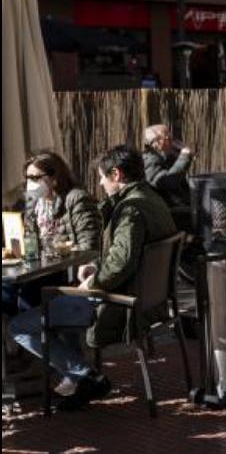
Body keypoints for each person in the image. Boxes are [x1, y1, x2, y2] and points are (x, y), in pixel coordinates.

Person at [7, 146, 177, 411]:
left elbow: (121, 261)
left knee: (20, 326)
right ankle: (76, 376)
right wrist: (97, 267)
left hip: (117, 304)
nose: (99, 183)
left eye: (102, 177)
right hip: (143, 300)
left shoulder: (130, 210)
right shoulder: (152, 199)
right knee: (33, 302)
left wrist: (93, 283)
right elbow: (124, 256)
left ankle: (86, 375)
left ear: (116, 174)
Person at [3, 152, 102, 315]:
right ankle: (20, 333)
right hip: (38, 267)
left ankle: (30, 333)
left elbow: (89, 246)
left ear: (54, 177)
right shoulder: (33, 202)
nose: (30, 183)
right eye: (27, 177)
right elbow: (30, 239)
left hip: (65, 270)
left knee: (28, 293)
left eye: (35, 178)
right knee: (6, 289)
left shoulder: (76, 199)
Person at [142, 124, 194, 210]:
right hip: (169, 212)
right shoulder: (150, 160)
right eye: (167, 137)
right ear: (158, 141)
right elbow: (169, 182)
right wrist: (184, 157)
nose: (171, 140)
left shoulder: (165, 156)